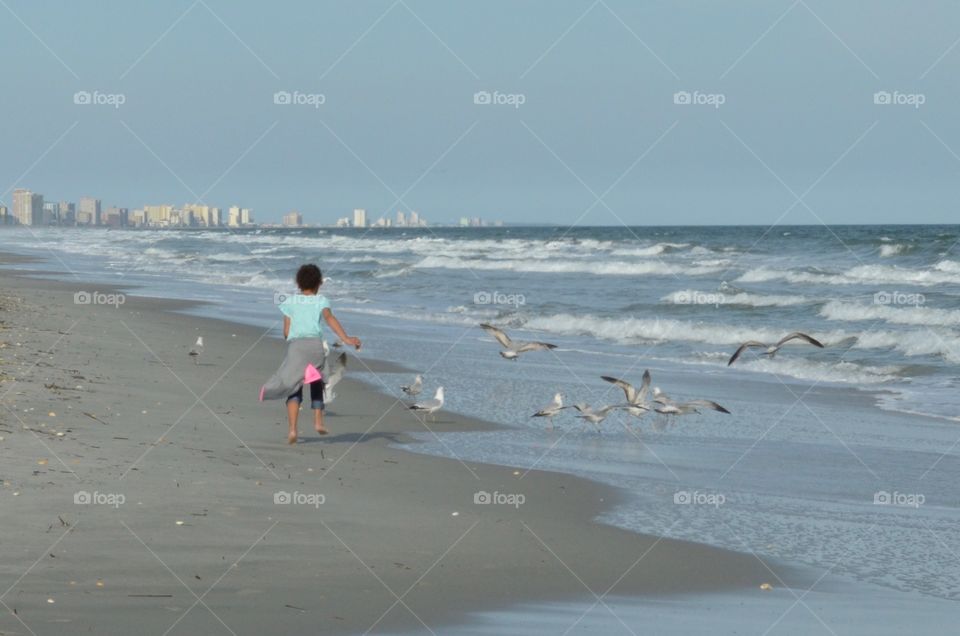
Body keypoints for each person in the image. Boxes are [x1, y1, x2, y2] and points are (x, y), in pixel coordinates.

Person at [259, 264, 361, 444]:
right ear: (319, 284)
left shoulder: (289, 302)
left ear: (298, 283)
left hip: (297, 347)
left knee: (293, 386)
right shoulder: (321, 300)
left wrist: (293, 341)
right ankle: (318, 422)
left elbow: (286, 331)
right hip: (315, 346)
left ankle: (292, 430)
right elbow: (330, 319)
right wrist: (346, 338)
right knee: (316, 382)